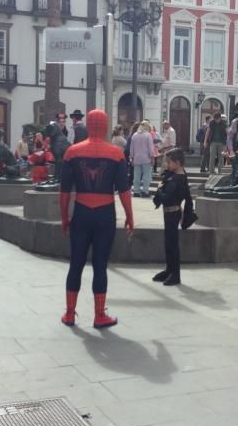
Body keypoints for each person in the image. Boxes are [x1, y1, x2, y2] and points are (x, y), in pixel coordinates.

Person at [59, 109, 134, 328]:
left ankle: (70, 313)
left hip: (81, 213)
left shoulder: (72, 153)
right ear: (105, 126)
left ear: (89, 125)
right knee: (100, 265)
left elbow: (64, 192)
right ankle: (99, 315)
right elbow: (124, 191)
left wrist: (65, 217)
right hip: (105, 214)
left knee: (76, 264)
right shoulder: (116, 154)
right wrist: (130, 216)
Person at [152, 148, 191, 286]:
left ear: (178, 163)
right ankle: (170, 270)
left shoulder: (178, 179)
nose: (167, 165)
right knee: (169, 243)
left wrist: (159, 190)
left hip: (172, 212)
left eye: (169, 162)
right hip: (170, 213)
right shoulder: (176, 176)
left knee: (172, 244)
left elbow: (167, 198)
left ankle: (175, 274)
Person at [129, 121, 157, 197]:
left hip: (137, 159)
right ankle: (145, 191)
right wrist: (152, 157)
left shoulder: (134, 135)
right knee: (146, 176)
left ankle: (136, 191)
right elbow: (150, 148)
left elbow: (132, 148)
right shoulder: (148, 135)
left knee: (136, 176)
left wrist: (131, 157)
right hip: (146, 158)